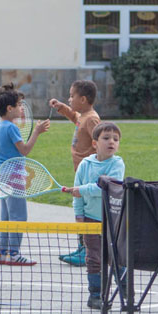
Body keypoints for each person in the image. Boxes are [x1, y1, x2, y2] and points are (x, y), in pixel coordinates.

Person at [0, 83, 50, 266]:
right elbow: (25, 151)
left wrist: (5, 153)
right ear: (10, 108)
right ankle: (14, 254)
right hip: (14, 177)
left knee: (6, 216)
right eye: (20, 105)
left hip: (1, 175)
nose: (22, 108)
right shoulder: (12, 128)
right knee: (19, 217)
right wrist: (36, 132)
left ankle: (3, 253)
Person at [63, 122, 125, 309]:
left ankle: (125, 288)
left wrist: (81, 190)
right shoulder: (85, 165)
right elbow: (78, 197)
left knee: (116, 256)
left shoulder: (117, 164)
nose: (111, 142)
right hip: (90, 220)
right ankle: (95, 294)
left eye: (115, 139)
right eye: (106, 138)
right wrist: (79, 216)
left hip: (113, 219)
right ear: (95, 143)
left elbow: (106, 187)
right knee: (93, 258)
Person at [49, 79, 101, 267]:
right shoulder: (83, 115)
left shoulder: (92, 119)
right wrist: (62, 107)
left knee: (86, 212)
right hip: (80, 173)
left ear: (84, 99)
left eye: (72, 96)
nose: (69, 99)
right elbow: (74, 117)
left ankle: (88, 250)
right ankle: (82, 247)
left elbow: (101, 140)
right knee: (79, 210)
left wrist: (96, 165)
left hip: (89, 175)